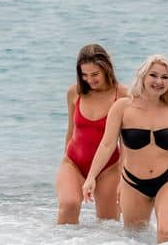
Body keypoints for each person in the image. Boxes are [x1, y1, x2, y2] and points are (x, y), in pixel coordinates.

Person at [83, 54, 168, 242]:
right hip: (133, 183)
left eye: (165, 77)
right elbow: (107, 145)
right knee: (135, 239)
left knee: (166, 235)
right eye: (153, 75)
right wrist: (91, 177)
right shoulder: (123, 107)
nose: (159, 81)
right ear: (143, 77)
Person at [55, 43, 128, 224]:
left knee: (108, 224)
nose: (90, 80)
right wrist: (65, 159)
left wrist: (124, 177)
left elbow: (126, 143)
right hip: (74, 163)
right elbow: (71, 131)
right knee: (69, 204)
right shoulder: (75, 93)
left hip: (109, 168)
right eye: (84, 75)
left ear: (106, 69)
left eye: (95, 74)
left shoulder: (124, 95)